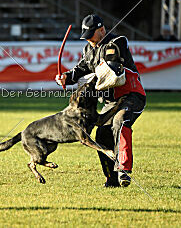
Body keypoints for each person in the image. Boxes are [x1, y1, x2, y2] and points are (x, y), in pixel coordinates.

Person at [55, 14, 146, 187]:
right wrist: (66, 77)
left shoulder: (118, 42)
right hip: (110, 102)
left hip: (132, 96)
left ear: (102, 29)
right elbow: (82, 68)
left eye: (91, 34)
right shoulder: (88, 49)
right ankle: (111, 180)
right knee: (102, 135)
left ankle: (123, 170)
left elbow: (112, 66)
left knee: (121, 121)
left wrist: (92, 76)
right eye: (86, 36)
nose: (88, 39)